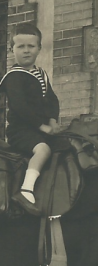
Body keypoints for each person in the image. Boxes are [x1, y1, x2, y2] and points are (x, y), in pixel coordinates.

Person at [0, 23, 61, 215]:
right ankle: (26, 189)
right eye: (20, 47)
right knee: (43, 150)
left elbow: (51, 99)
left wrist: (52, 119)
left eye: (31, 46)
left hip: (40, 127)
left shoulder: (40, 73)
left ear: (39, 48)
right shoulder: (14, 77)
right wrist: (41, 126)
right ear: (12, 50)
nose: (26, 51)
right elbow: (20, 107)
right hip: (22, 131)